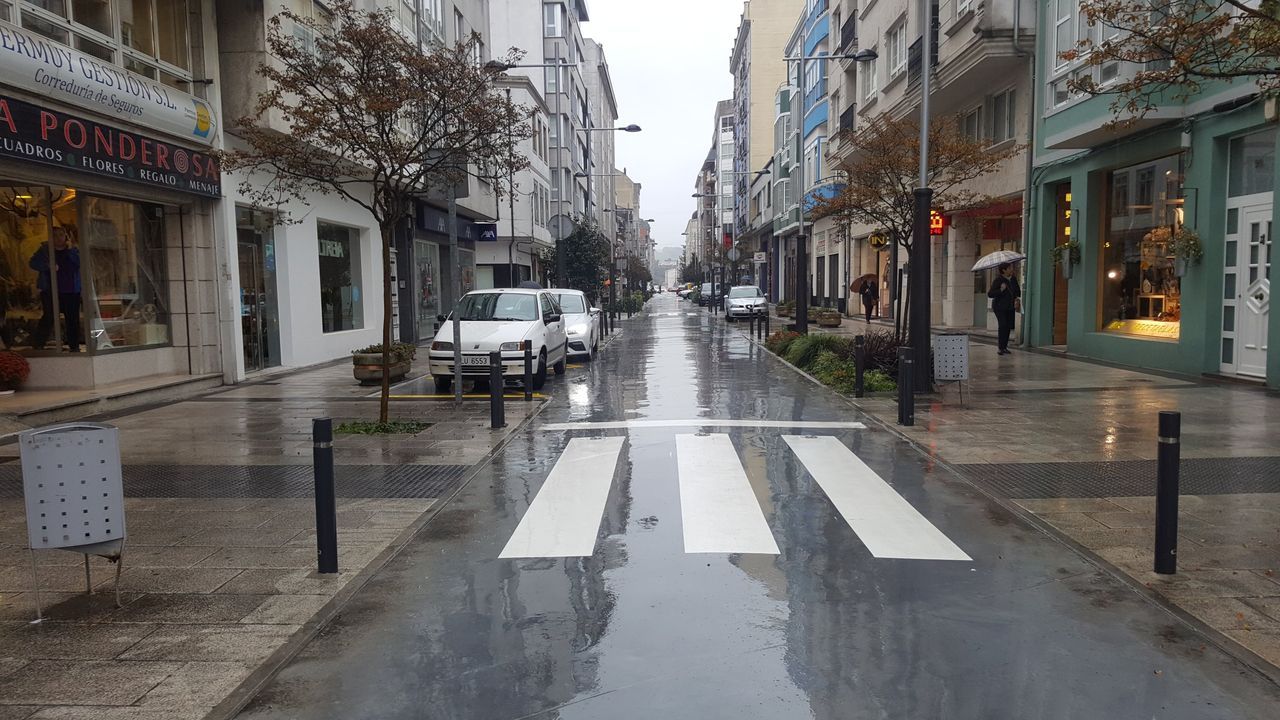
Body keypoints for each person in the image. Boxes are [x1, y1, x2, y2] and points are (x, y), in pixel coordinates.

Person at [29, 226, 82, 352]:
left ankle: (74, 346)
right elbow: (32, 263)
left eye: (60, 235)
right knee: (49, 317)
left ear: (65, 236)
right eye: (55, 235)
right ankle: (38, 344)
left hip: (70, 290)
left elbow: (79, 263)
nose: (58, 238)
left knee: (72, 319)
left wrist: (73, 249)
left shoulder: (73, 250)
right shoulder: (45, 250)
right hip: (50, 290)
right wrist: (47, 266)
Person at [987, 262, 1021, 355]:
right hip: (999, 307)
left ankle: (1005, 347)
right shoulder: (999, 280)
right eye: (1009, 268)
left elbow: (1018, 291)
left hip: (1010, 307)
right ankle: (1000, 347)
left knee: (1008, 326)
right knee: (1002, 325)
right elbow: (990, 294)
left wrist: (1016, 296)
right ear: (1004, 270)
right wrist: (1001, 290)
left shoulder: (1013, 279)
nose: (1011, 270)